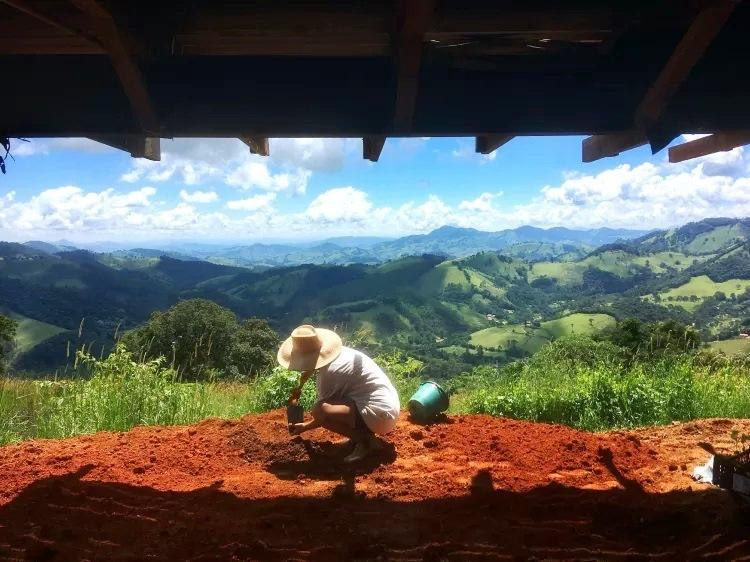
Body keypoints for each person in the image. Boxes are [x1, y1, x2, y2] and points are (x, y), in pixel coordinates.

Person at [278, 324, 400, 463]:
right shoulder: (343, 353)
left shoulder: (328, 374)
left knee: (319, 409)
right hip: (388, 407)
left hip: (380, 417)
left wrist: (306, 426)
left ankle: (364, 441)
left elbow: (323, 415)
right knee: (331, 406)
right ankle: (359, 436)